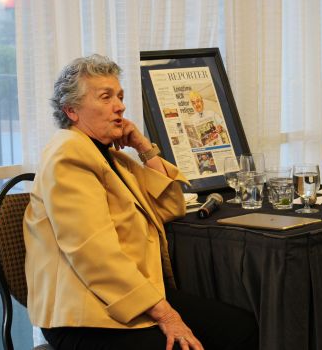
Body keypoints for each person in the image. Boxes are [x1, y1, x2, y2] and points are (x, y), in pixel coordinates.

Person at [23, 54, 258, 350]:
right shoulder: (68, 155)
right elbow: (95, 256)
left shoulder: (108, 155)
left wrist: (144, 148)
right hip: (84, 314)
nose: (120, 105)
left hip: (124, 297)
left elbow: (170, 206)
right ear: (71, 110)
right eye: (106, 97)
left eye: (119, 96)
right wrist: (166, 314)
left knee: (240, 328)